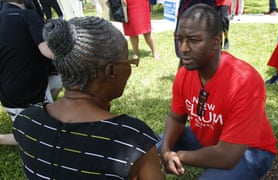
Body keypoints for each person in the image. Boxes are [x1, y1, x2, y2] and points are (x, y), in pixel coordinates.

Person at [13, 16, 165, 179]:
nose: (130, 68)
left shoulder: (26, 121)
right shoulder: (133, 140)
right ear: (111, 71)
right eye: (129, 61)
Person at [158, 4, 278, 179]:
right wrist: (166, 150)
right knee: (150, 148)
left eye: (193, 40)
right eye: (180, 39)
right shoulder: (184, 74)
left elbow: (227, 156)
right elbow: (176, 117)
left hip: (251, 149)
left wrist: (178, 156)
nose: (183, 48)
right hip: (212, 138)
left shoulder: (244, 81)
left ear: (216, 42)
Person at [0, 0, 54, 145]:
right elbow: (48, 52)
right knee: (41, 138)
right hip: (28, 94)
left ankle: (46, 109)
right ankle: (3, 138)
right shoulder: (28, 15)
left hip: (8, 95)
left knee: (57, 77)